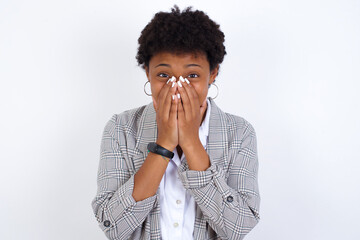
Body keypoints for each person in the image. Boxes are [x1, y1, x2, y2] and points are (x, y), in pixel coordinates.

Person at [91, 5, 260, 240]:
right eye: (163, 75)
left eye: (192, 75)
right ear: (147, 73)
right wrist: (164, 143)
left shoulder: (239, 133)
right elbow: (114, 227)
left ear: (212, 74)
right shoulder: (120, 128)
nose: (177, 87)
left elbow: (238, 227)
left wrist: (191, 142)